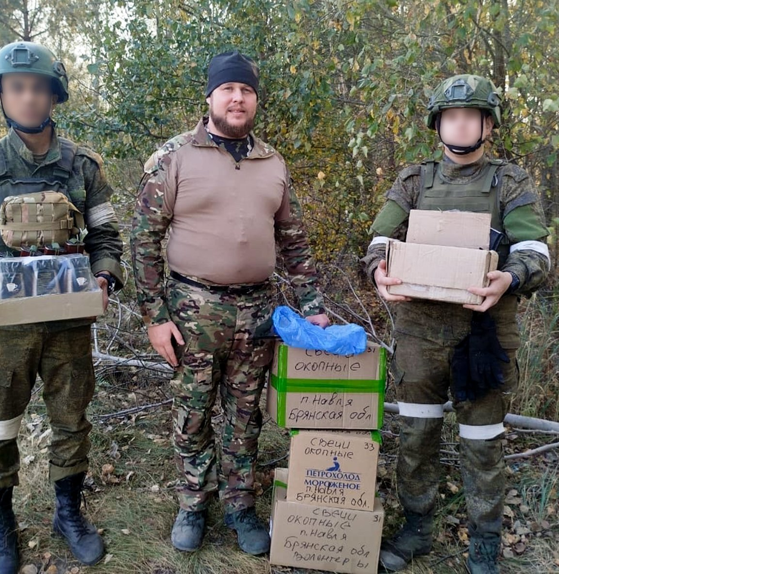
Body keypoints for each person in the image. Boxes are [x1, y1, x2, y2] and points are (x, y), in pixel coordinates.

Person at [130, 50, 330, 555]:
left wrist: (311, 304)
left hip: (258, 312)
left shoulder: (272, 162)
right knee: (193, 412)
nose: (237, 98)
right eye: (228, 90)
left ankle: (240, 506)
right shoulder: (174, 157)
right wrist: (155, 318)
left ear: (255, 100)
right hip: (192, 310)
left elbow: (295, 241)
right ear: (211, 97)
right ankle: (194, 503)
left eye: (246, 91)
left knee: (246, 415)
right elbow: (143, 241)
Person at [0, 40, 124, 573]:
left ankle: (68, 514)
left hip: (68, 322)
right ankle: (1, 527)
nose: (28, 97)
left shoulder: (82, 166)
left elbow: (107, 235)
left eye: (38, 87)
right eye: (17, 88)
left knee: (71, 419)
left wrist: (105, 274)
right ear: (3, 94)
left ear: (54, 94)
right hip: (5, 328)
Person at [360, 74, 551, 574]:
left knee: (482, 440)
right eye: (451, 115)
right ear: (438, 123)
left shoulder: (509, 181)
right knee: (416, 434)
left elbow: (536, 251)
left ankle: (484, 539)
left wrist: (509, 278)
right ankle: (418, 526)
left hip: (482, 331)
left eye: (471, 115)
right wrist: (379, 269)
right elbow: (380, 237)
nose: (460, 124)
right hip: (420, 330)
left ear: (487, 125)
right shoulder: (414, 179)